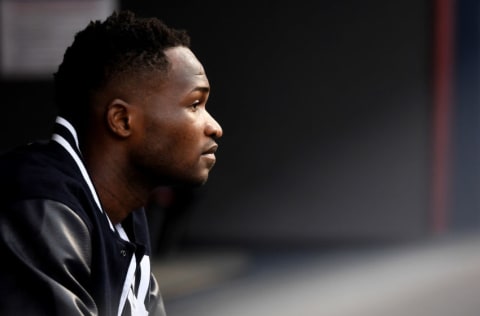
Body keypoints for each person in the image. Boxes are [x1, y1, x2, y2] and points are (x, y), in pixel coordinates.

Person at [0, 10, 223, 316]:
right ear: (121, 120)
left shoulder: (125, 215)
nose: (214, 127)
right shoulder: (39, 205)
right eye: (194, 104)